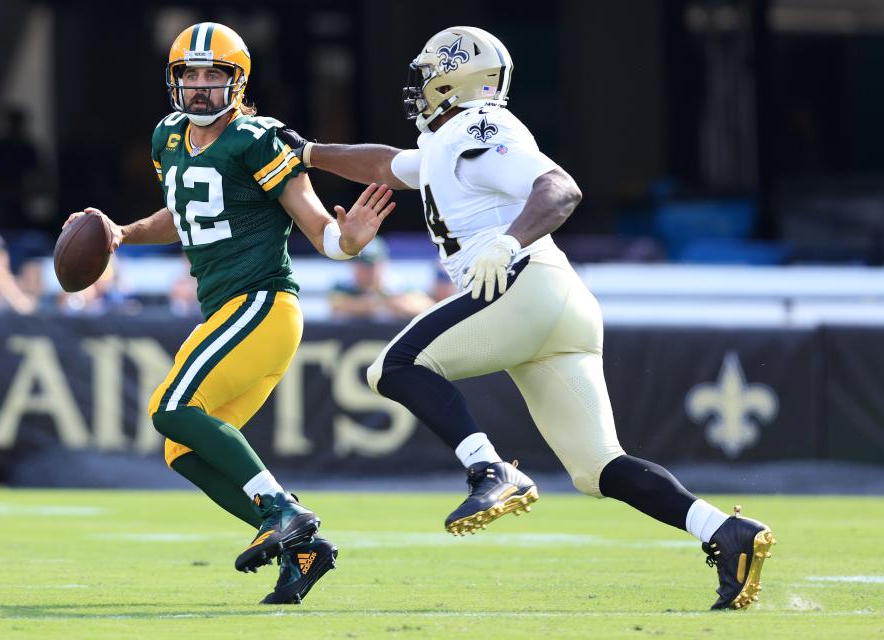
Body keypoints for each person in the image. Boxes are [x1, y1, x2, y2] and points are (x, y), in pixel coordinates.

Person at [283, 26, 774, 611]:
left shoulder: (476, 126)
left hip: (523, 282)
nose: (415, 88)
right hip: (556, 305)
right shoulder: (449, 143)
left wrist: (508, 242)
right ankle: (724, 532)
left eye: (425, 76)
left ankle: (489, 470)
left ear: (454, 79)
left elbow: (559, 188)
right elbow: (391, 166)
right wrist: (308, 153)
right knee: (600, 469)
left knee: (395, 366)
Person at [62, 22, 395, 605]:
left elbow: (318, 227)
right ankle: (302, 550)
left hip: (264, 303)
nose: (199, 87)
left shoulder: (258, 139)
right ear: (174, 81)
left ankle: (282, 510)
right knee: (182, 448)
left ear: (236, 82)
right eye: (189, 75)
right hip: (224, 311)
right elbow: (181, 212)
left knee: (170, 407)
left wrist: (349, 241)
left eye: (213, 75)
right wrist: (121, 232)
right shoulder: (168, 137)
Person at [329, 236, 434, 320]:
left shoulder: (396, 285)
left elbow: (427, 308)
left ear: (383, 264)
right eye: (360, 265)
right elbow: (337, 308)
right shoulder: (343, 286)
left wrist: (396, 304)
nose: (365, 271)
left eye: (370, 266)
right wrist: (372, 303)